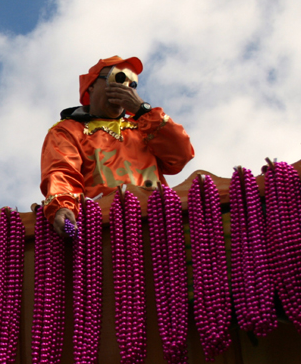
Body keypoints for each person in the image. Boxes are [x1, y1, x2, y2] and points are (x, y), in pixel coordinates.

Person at [40, 55, 194, 235]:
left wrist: (142, 110)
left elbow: (180, 156)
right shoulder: (68, 130)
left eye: (132, 84)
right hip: (102, 228)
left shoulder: (144, 127)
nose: (126, 87)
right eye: (118, 78)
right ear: (91, 85)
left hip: (158, 224)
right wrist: (63, 206)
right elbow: (62, 171)